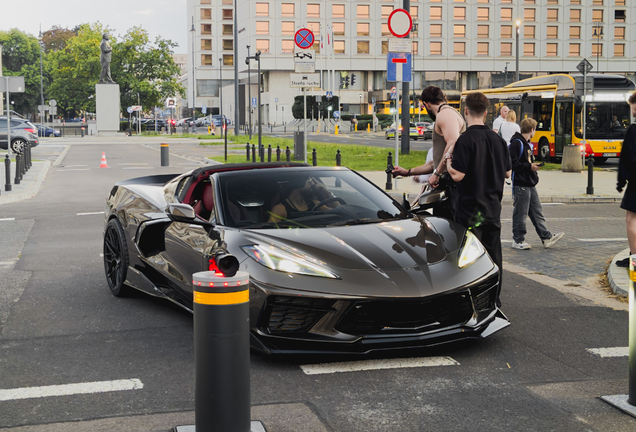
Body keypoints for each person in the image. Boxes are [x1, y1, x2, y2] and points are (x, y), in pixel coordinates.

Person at [445, 91, 511, 307]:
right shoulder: (498, 140)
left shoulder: (465, 140)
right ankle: (495, 300)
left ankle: (472, 303)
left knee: (469, 260)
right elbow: (508, 173)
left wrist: (447, 163)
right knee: (494, 257)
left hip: (470, 212)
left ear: (466, 111)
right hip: (493, 210)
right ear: (485, 112)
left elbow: (458, 175)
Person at [393, 86, 465, 220]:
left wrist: (437, 173)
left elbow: (452, 143)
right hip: (448, 182)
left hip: (450, 184)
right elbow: (436, 161)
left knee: (447, 230)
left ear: (425, 104)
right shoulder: (448, 113)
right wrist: (408, 172)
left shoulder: (445, 114)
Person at [509, 118, 564, 250]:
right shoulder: (517, 144)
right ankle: (518, 239)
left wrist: (531, 167)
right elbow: (512, 163)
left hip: (529, 182)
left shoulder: (525, 143)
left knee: (536, 211)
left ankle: (546, 237)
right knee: (520, 213)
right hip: (521, 183)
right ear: (532, 130)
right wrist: (529, 167)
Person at [615, 93, 636, 267]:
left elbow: (627, 159)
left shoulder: (633, 131)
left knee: (632, 220)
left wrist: (621, 182)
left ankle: (634, 259)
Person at [268, 176, 339, 223]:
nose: (312, 184)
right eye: (309, 181)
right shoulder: (280, 209)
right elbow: (270, 230)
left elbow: (340, 211)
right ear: (298, 184)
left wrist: (327, 192)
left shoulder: (315, 204)